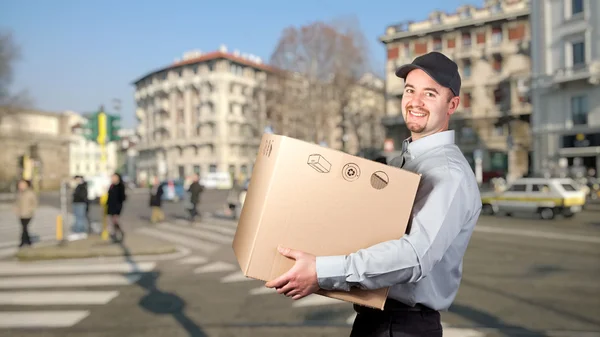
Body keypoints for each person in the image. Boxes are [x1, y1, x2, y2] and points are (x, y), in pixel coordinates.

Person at [265, 52, 482, 337]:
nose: (415, 102)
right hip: (376, 319)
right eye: (409, 90)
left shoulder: (447, 172)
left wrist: (322, 271)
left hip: (404, 327)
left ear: (452, 104)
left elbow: (415, 256)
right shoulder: (403, 163)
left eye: (430, 94)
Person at [14, 179, 38, 247]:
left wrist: (31, 210)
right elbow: (16, 203)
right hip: (21, 214)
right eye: (20, 184)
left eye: (22, 184)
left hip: (28, 214)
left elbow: (35, 203)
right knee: (24, 228)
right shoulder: (19, 193)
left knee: (24, 228)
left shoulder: (30, 193)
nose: (21, 186)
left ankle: (22, 242)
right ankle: (28, 242)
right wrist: (16, 210)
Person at [106, 173, 126, 242]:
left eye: (114, 177)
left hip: (116, 207)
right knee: (112, 222)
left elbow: (122, 198)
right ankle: (115, 235)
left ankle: (120, 233)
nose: (113, 179)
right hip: (111, 206)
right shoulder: (112, 186)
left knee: (115, 221)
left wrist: (118, 207)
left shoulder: (120, 186)